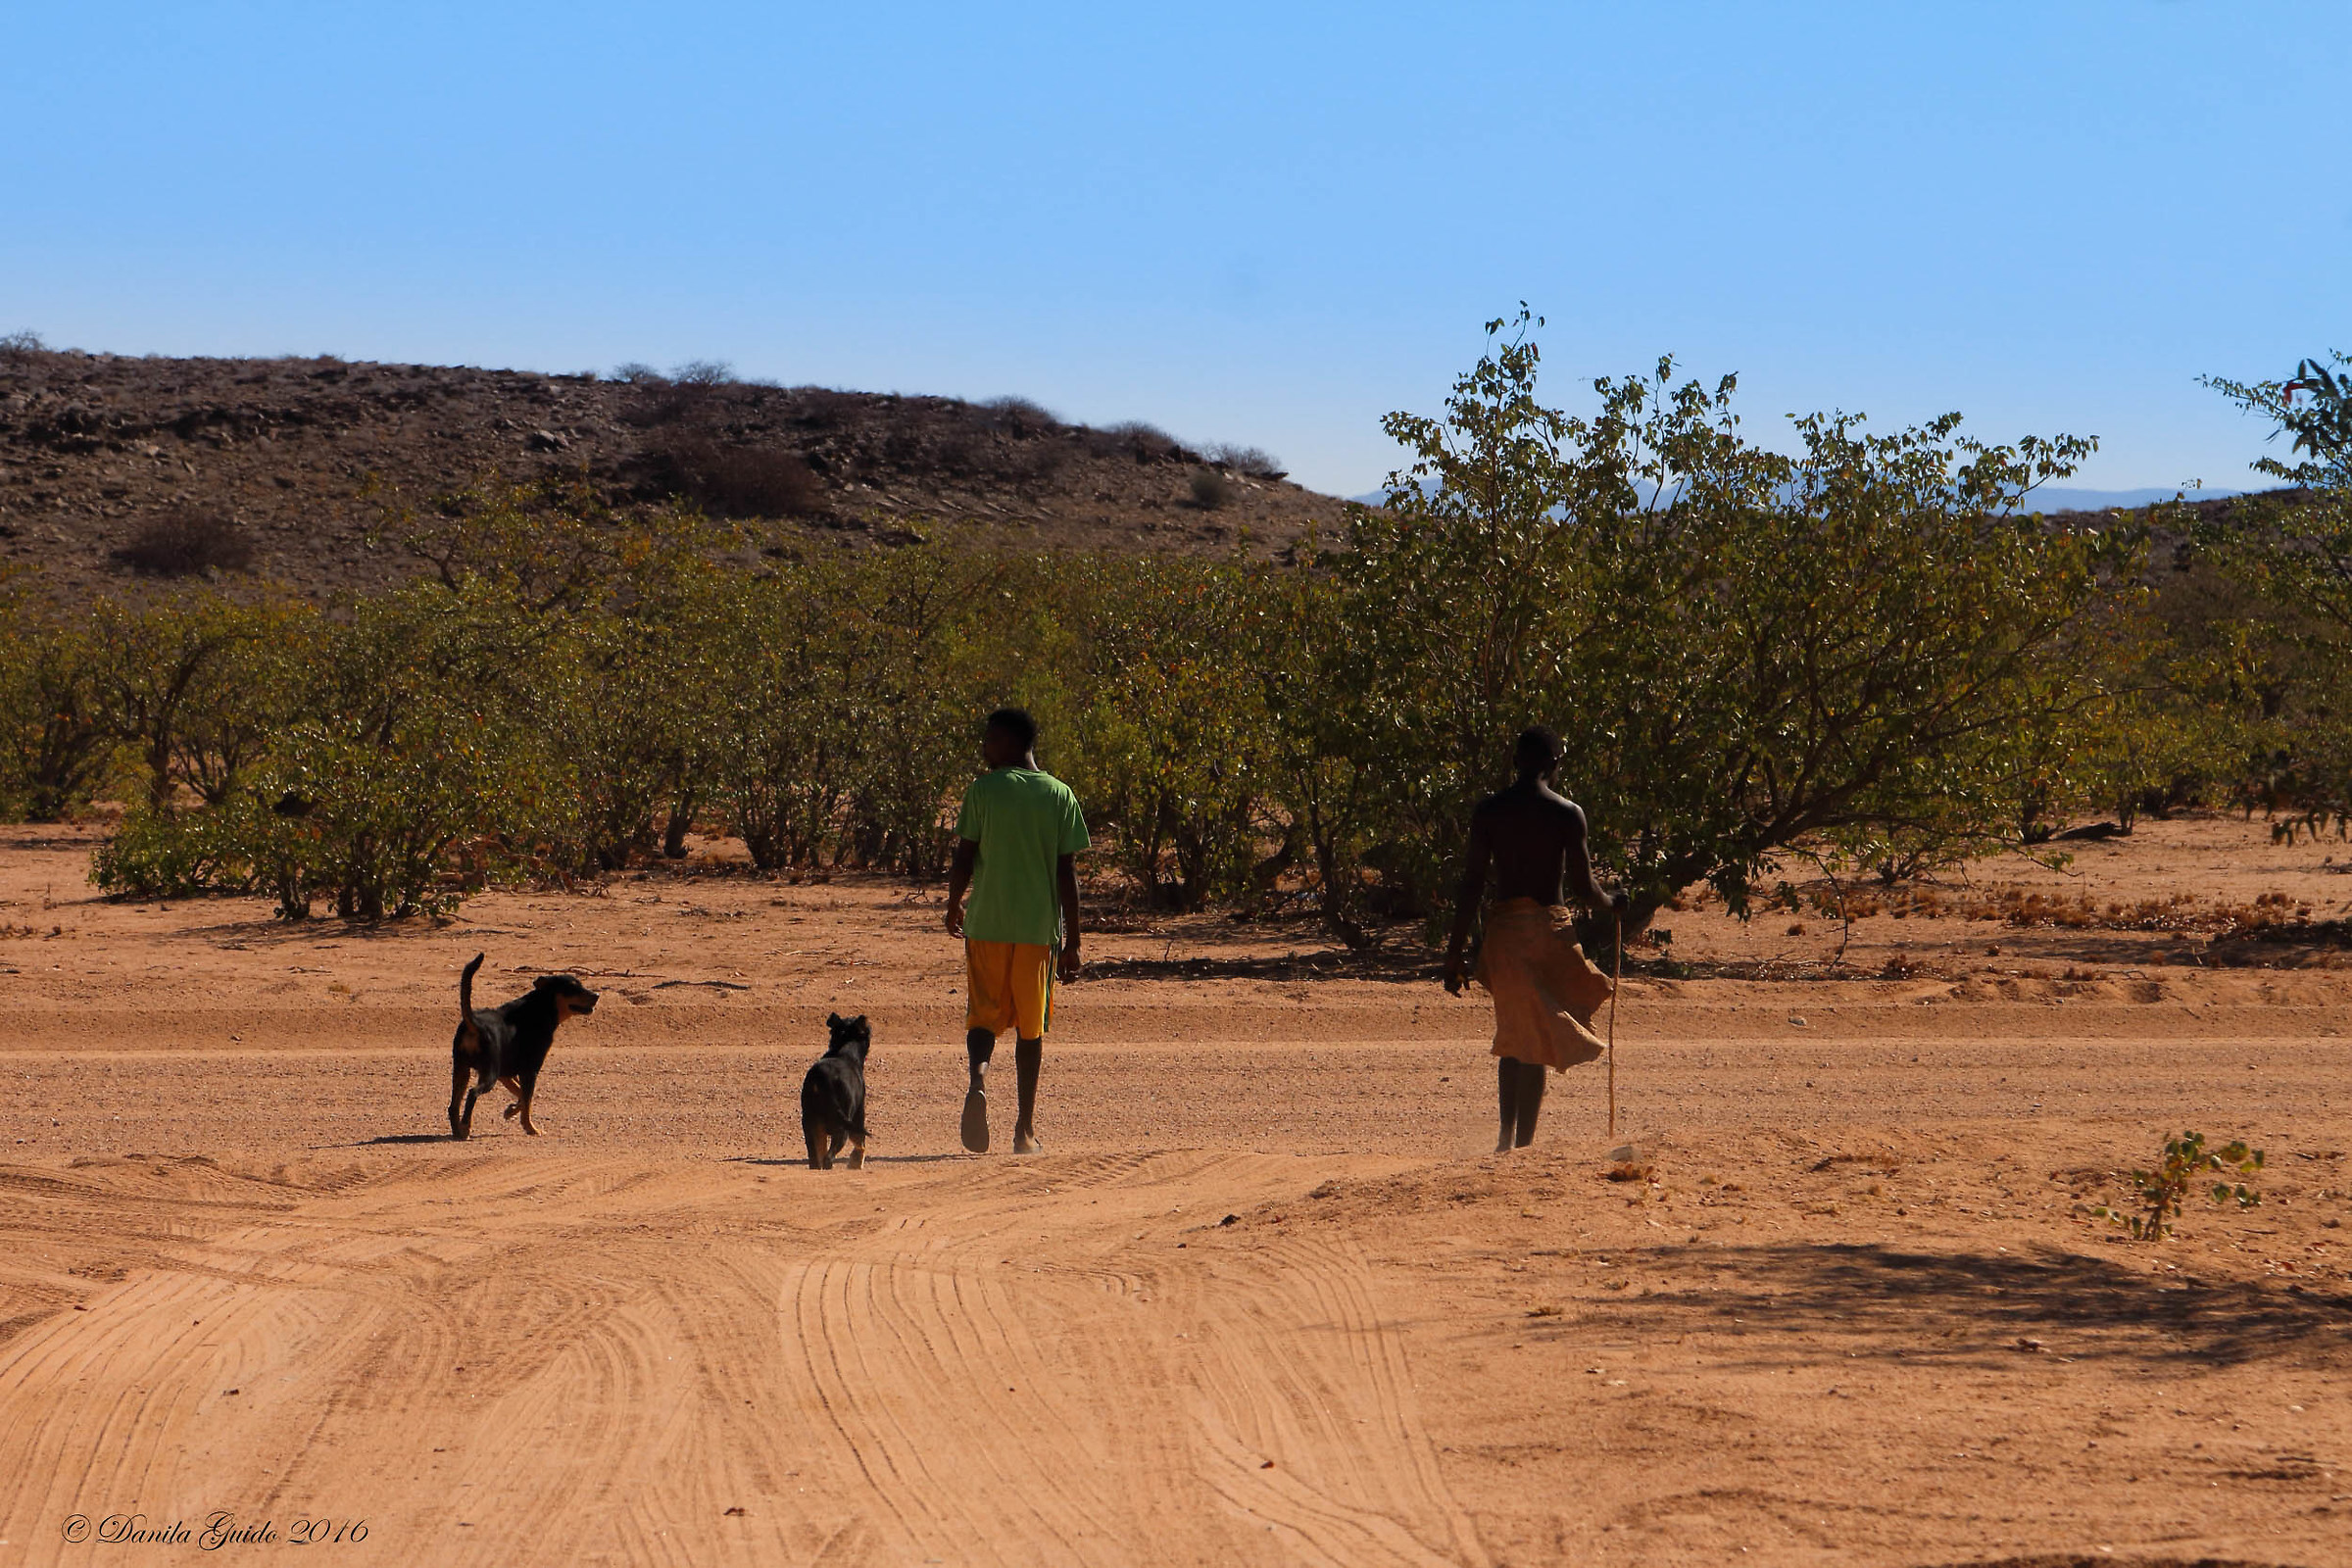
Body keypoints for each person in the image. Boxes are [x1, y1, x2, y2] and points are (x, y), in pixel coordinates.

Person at [1443, 725, 1630, 1152]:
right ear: (1556, 765)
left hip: (1505, 936)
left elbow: (1471, 884)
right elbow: (1585, 888)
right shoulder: (1567, 813)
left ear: (1515, 763)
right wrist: (1612, 901)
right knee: (1538, 1035)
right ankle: (1522, 1147)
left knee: (1515, 1034)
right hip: (1549, 934)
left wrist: (1454, 955)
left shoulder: (1489, 811)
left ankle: (1508, 1141)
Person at [943, 708, 1088, 1154]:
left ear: (1010, 741)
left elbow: (965, 857)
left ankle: (979, 1079)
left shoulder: (982, 792)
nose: (984, 747)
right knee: (1031, 1027)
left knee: (983, 1014)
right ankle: (1024, 1130)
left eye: (989, 739)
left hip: (986, 925)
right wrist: (1074, 941)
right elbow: (1067, 874)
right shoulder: (1060, 795)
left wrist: (953, 904)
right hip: (1036, 931)